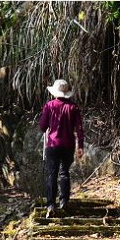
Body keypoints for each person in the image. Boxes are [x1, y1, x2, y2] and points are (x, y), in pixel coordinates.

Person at [39, 79, 84, 217]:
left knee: (52, 174)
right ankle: (64, 201)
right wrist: (80, 146)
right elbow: (79, 129)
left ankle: (51, 204)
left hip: (52, 145)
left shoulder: (49, 105)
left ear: (55, 92)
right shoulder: (73, 107)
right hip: (68, 145)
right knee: (64, 172)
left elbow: (42, 126)